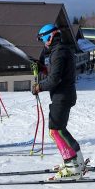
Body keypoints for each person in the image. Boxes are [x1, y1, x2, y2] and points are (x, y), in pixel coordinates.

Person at [31, 23, 84, 179]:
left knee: (55, 131)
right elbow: (57, 72)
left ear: (50, 36)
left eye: (43, 39)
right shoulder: (62, 50)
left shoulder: (58, 52)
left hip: (62, 95)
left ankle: (72, 167)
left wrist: (39, 87)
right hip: (66, 94)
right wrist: (42, 68)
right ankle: (78, 162)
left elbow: (54, 79)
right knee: (61, 130)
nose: (43, 43)